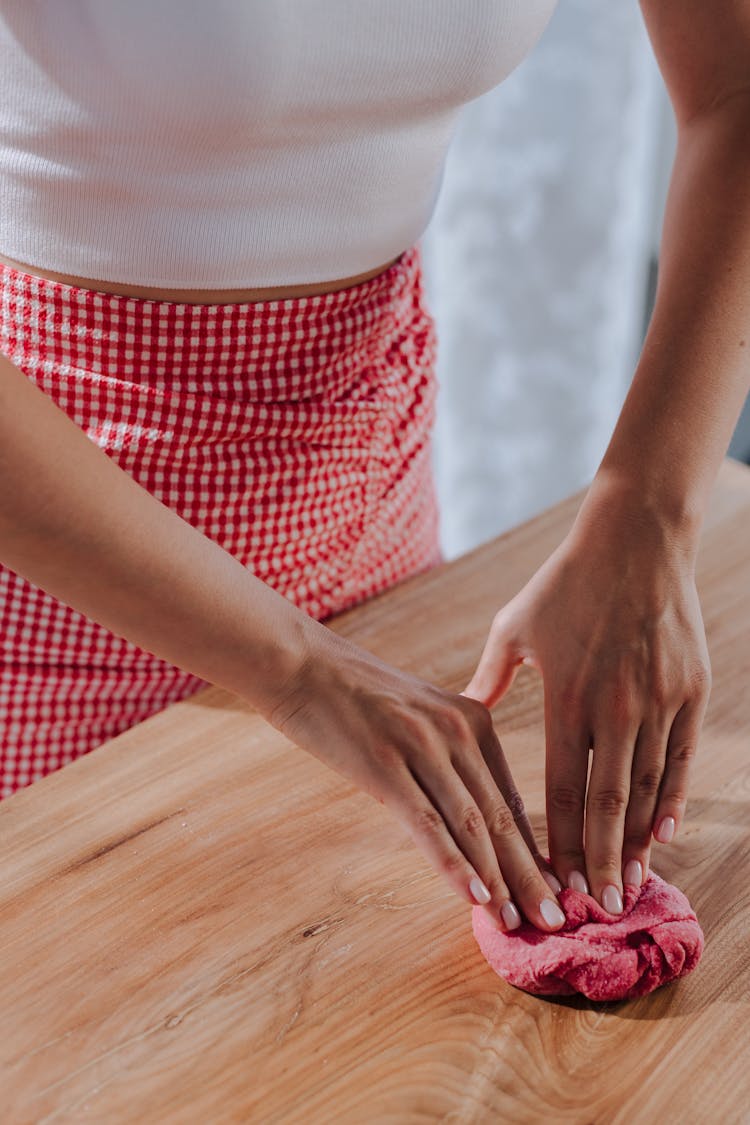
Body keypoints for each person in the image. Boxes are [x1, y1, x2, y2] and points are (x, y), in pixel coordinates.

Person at [0, 1, 746, 939]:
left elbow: (737, 88)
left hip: (374, 510)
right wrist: (299, 671)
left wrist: (651, 510)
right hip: (56, 565)